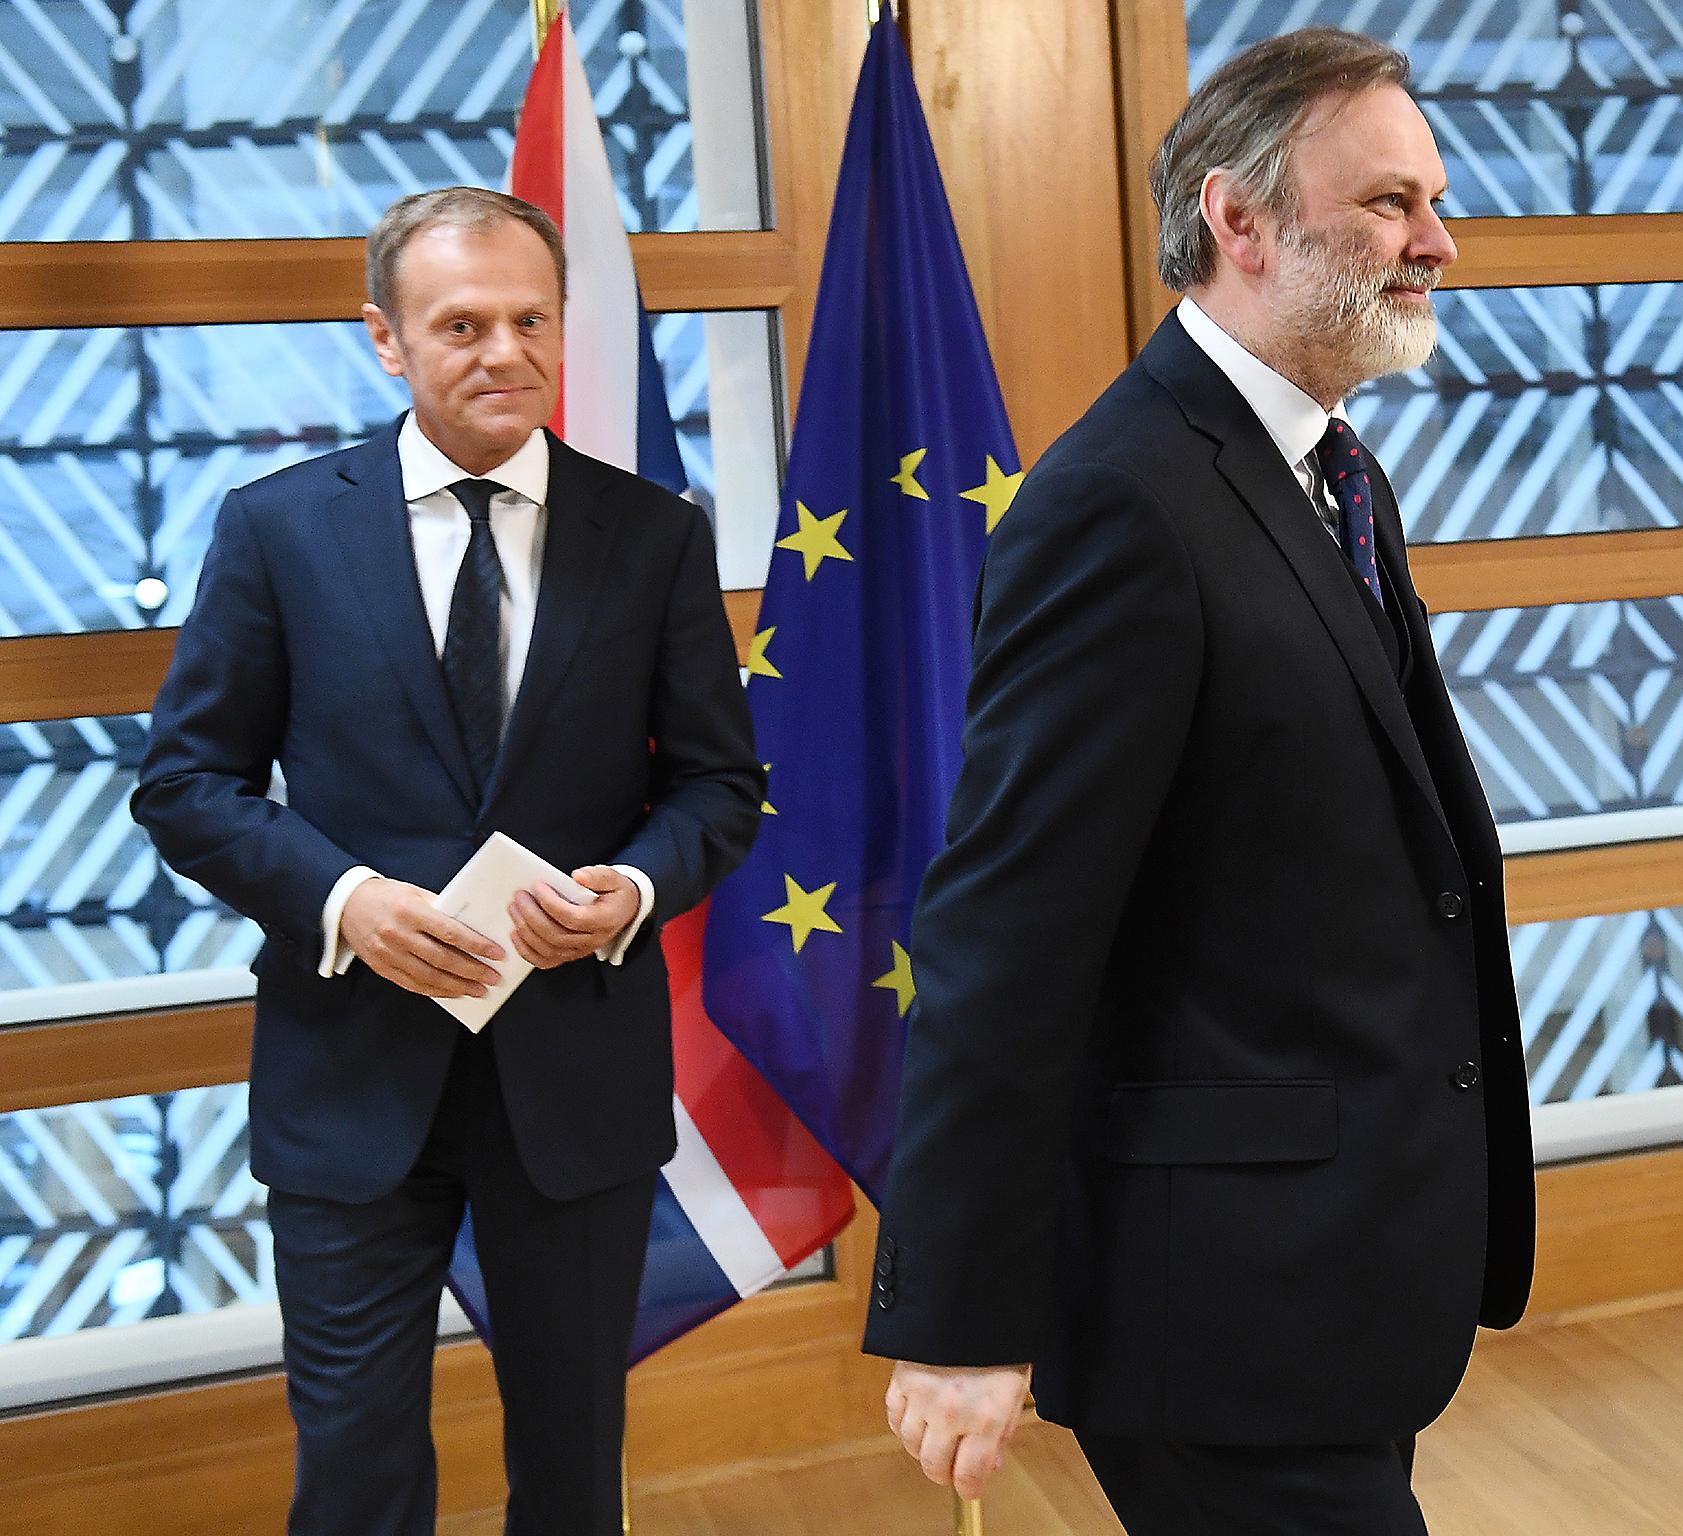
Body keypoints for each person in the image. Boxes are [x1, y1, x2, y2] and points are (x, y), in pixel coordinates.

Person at [862, 29, 1535, 1534]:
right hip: (1220, 1305)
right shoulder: (1118, 503)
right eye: (1385, 205)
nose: (1436, 241)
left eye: (1431, 197)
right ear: (1237, 222)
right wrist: (960, 1314)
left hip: (1333, 1271)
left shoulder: (1326, 468)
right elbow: (1007, 932)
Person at [132, 187, 762, 1535]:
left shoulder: (653, 535)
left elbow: (719, 787)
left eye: (531, 319)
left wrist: (633, 890)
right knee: (355, 1470)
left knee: (574, 1465)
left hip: (572, 1081)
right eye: (461, 323)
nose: (503, 351)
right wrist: (346, 903)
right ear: (387, 340)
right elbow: (187, 787)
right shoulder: (280, 530)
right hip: (350, 1079)